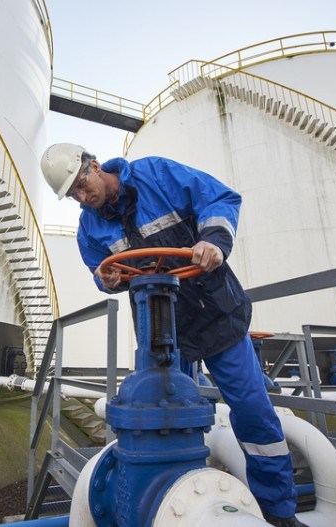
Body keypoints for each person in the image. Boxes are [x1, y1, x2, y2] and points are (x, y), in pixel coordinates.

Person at [40, 143, 307, 527]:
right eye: (74, 196)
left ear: (94, 167)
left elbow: (218, 197)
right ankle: (178, 502)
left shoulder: (156, 176)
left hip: (216, 314)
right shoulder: (90, 225)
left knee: (253, 413)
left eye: (82, 186)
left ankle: (279, 512)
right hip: (163, 331)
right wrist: (108, 280)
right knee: (167, 415)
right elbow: (100, 270)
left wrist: (213, 241)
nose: (83, 199)